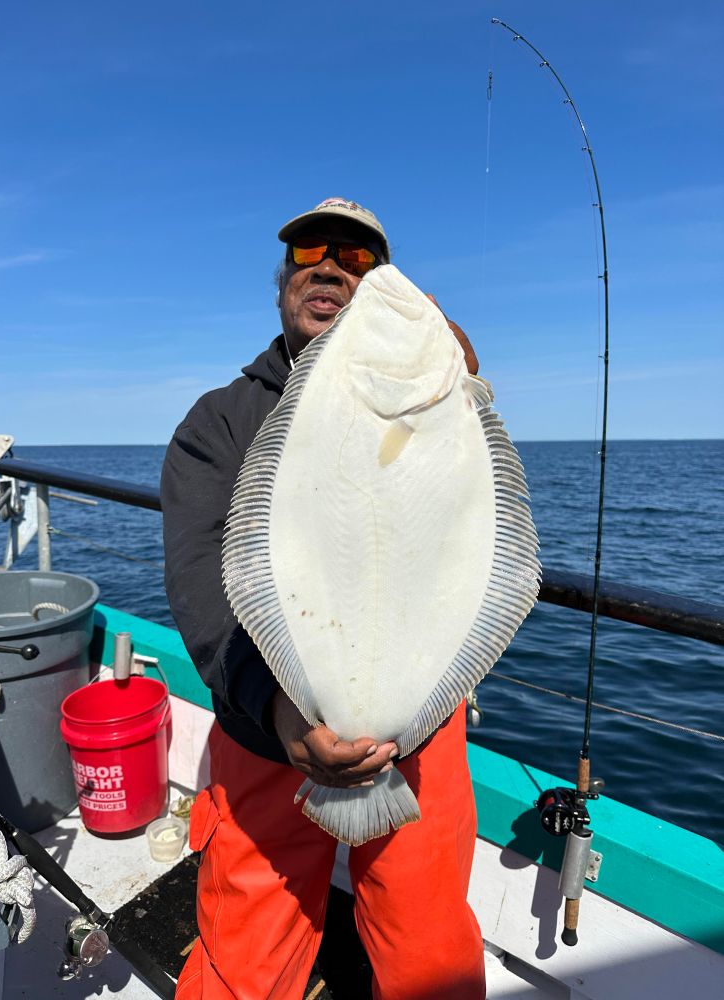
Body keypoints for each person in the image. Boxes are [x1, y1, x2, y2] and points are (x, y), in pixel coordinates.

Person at [161, 197, 486, 1000]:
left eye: (360, 259)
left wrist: (452, 358)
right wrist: (275, 709)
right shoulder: (222, 421)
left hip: (416, 719)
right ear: (283, 285)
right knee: (245, 941)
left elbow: (476, 514)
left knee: (428, 945)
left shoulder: (437, 396)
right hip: (270, 722)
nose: (332, 266)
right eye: (311, 253)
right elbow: (200, 572)